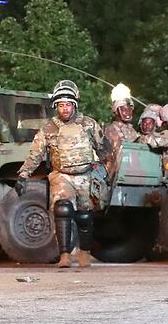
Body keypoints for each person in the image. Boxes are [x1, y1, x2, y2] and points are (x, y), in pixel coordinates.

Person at [15, 80, 107, 269]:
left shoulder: (89, 124)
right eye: (61, 105)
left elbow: (103, 149)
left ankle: (85, 252)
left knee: (84, 215)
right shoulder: (49, 129)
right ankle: (64, 255)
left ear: (75, 105)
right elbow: (36, 153)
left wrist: (105, 171)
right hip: (61, 175)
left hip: (85, 175)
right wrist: (24, 174)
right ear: (56, 106)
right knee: (63, 209)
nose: (65, 109)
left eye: (68, 105)